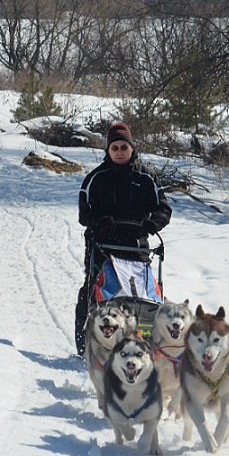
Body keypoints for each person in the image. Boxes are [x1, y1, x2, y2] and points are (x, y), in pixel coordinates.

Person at [75, 122, 172, 356]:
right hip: (103, 245)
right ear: (108, 150)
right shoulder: (96, 178)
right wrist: (99, 221)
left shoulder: (147, 178)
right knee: (93, 289)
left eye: (124, 147)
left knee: (144, 293)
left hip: (137, 244)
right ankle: (84, 344)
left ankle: (149, 340)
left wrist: (153, 223)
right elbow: (84, 213)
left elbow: (164, 209)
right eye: (115, 147)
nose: (119, 152)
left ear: (132, 149)